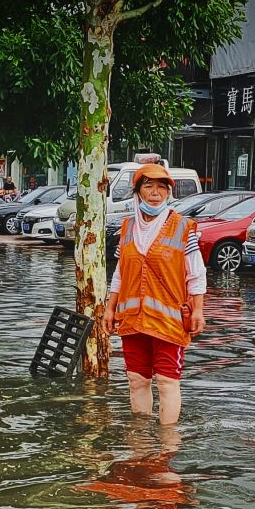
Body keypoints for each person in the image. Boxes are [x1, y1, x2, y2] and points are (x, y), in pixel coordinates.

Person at [102, 163, 207, 425]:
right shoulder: (126, 228)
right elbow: (120, 274)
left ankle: (167, 446)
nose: (155, 193)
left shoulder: (184, 228)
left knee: (167, 381)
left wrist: (198, 310)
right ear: (137, 192)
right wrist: (109, 308)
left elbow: (196, 273)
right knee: (137, 380)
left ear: (169, 193)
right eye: (148, 186)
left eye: (162, 187)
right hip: (132, 320)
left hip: (168, 321)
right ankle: (140, 441)